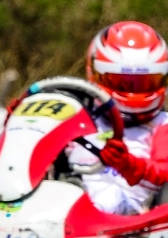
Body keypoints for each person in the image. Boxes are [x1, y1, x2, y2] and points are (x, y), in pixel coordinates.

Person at [65, 21, 168, 215]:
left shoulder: (162, 125)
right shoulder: (77, 117)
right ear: (96, 76)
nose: (134, 93)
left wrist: (127, 165)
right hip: (71, 199)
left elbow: (164, 172)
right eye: (123, 83)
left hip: (136, 215)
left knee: (110, 196)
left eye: (144, 82)